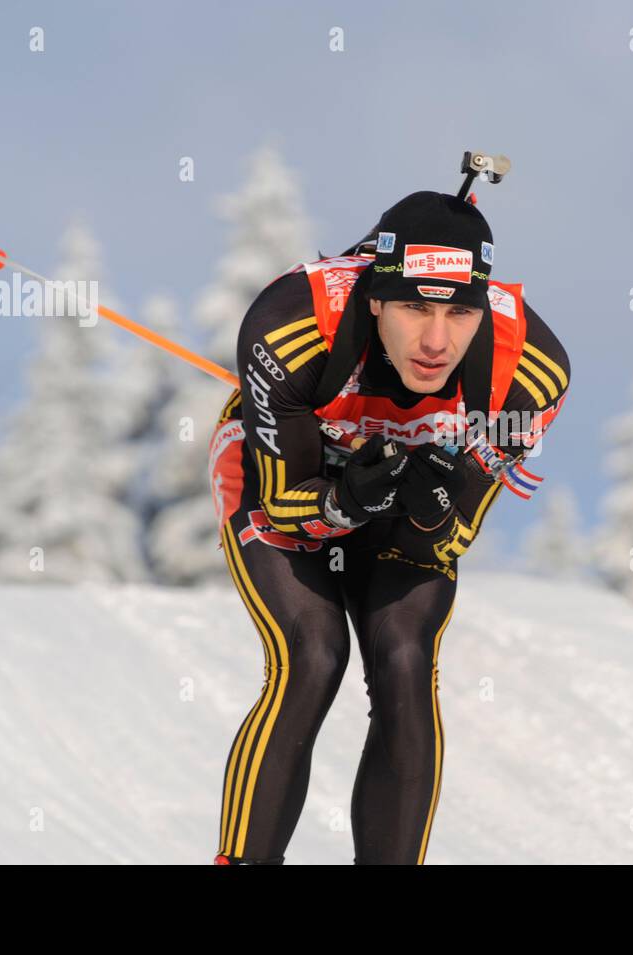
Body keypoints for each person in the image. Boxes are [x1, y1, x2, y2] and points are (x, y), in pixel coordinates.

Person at [207, 190, 570, 864]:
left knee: (404, 655)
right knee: (311, 655)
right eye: (414, 307)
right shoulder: (291, 325)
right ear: (375, 298)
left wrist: (432, 506)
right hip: (289, 473)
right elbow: (285, 499)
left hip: (399, 493)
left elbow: (448, 535)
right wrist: (344, 499)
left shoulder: (531, 372)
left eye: (460, 312)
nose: (436, 342)